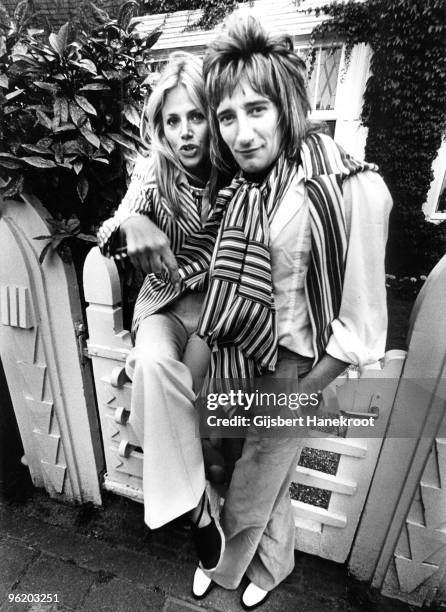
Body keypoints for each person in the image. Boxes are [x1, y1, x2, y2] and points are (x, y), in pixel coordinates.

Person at [191, 16, 393, 609]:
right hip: (237, 351)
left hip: (294, 360)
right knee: (245, 466)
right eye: (227, 116)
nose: (242, 132)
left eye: (257, 109)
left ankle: (224, 567)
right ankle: (274, 565)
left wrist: (307, 388)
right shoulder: (245, 186)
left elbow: (364, 320)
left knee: (256, 471)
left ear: (286, 104)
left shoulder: (347, 187)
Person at [97, 52, 226, 572]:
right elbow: (110, 231)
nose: (185, 132)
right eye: (173, 121)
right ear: (160, 127)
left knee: (199, 400)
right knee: (151, 367)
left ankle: (214, 492)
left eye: (196, 116)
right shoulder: (154, 169)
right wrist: (132, 228)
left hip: (218, 309)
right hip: (164, 306)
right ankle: (198, 509)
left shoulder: (235, 166)